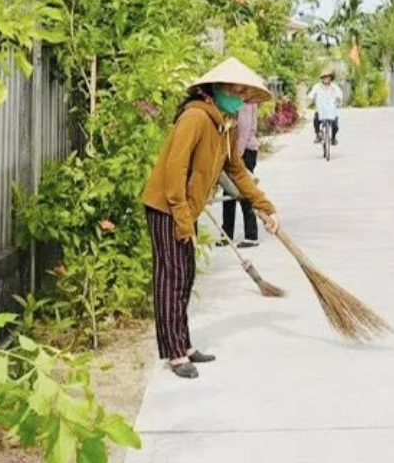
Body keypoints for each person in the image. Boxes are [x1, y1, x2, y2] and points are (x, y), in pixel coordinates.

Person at [141, 58, 280, 378]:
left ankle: (184, 343)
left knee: (186, 274)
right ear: (217, 89)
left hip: (185, 207)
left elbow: (237, 171)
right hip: (166, 206)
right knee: (171, 277)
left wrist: (265, 206)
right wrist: (182, 218)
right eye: (236, 91)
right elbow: (174, 171)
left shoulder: (224, 124)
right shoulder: (194, 117)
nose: (240, 98)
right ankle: (175, 353)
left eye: (243, 93)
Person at [222, 97, 262, 247]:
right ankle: (227, 234)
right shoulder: (236, 98)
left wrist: (237, 155)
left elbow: (245, 128)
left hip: (245, 150)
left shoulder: (247, 100)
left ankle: (251, 235)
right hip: (235, 150)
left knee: (245, 190)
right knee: (228, 191)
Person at [308, 69, 343, 145]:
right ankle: (318, 135)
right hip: (321, 109)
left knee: (335, 125)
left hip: (331, 110)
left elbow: (340, 94)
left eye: (328, 77)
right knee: (316, 120)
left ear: (330, 78)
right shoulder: (317, 86)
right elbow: (311, 94)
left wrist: (338, 98)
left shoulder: (334, 87)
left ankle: (333, 138)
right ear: (322, 78)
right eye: (324, 77)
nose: (326, 79)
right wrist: (311, 98)